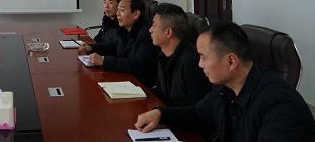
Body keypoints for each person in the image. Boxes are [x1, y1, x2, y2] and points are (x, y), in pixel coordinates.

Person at [135, 21, 315, 141]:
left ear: (231, 61)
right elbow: (199, 115)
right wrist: (160, 114)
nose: (199, 64)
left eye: (204, 58)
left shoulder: (280, 105)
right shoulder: (224, 87)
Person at [78, 0, 160, 87]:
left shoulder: (147, 34)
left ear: (136, 14)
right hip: (125, 78)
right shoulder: (126, 29)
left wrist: (104, 60)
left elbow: (139, 64)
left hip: (140, 86)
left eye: (122, 10)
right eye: (117, 10)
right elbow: (113, 46)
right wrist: (91, 48)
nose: (117, 14)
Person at [149, 3, 211, 106]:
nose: (150, 30)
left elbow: (199, 111)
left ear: (168, 32)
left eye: (154, 25)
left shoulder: (192, 64)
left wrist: (161, 113)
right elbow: (161, 93)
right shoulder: (163, 55)